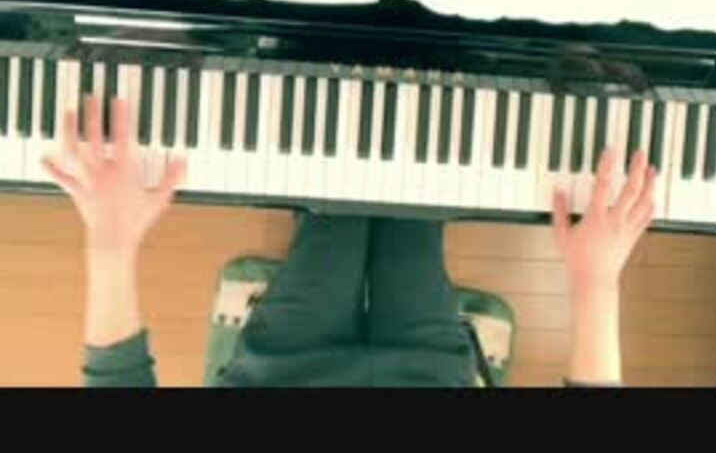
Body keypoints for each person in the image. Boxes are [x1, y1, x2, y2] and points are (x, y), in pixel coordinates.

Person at [41, 95, 656, 388]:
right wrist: (596, 280)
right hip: (426, 377)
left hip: (284, 369)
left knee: (335, 205)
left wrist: (111, 243)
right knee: (416, 201)